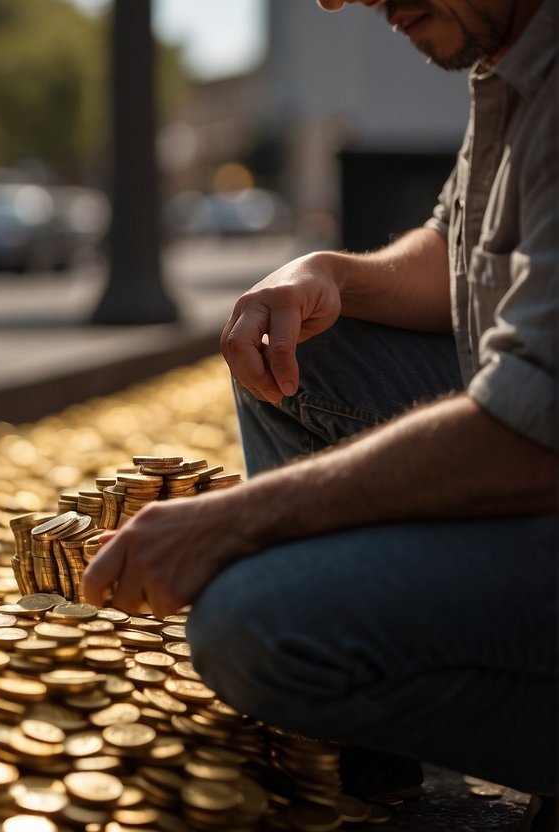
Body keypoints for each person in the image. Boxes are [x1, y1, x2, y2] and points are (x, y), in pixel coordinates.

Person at [81, 0, 558, 815]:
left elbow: (530, 433)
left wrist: (240, 520)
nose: (343, 2)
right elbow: (459, 244)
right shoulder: (512, 54)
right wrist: (327, 272)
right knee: (296, 340)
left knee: (250, 627)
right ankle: (363, 755)